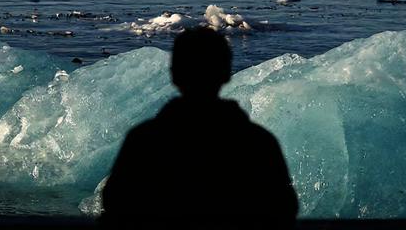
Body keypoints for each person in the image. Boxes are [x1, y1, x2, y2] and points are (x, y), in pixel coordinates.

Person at [101, 27, 298, 227]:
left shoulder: (145, 140)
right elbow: (284, 208)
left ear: (174, 74)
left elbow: (115, 202)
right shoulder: (257, 142)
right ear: (226, 73)